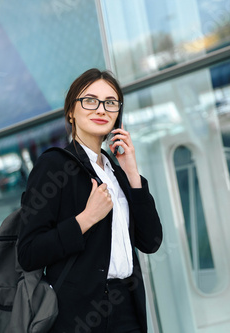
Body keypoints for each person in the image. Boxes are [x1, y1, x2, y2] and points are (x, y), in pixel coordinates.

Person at [17, 68, 162, 333]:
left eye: (111, 103)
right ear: (71, 111)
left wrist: (132, 172)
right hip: (78, 314)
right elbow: (29, 253)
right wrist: (85, 219)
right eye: (90, 100)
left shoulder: (117, 172)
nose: (101, 109)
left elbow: (151, 241)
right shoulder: (54, 166)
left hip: (127, 307)